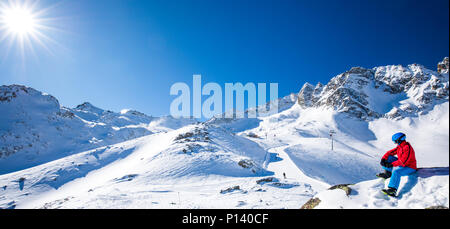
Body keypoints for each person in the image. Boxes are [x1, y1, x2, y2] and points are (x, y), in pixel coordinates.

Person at [376, 132, 417, 197]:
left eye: (395, 141)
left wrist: (391, 164)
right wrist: (383, 159)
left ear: (399, 140)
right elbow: (390, 152)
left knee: (396, 172)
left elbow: (403, 161)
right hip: (403, 165)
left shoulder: (407, 148)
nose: (395, 143)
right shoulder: (400, 146)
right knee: (389, 157)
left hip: (410, 167)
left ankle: (392, 190)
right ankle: (387, 174)